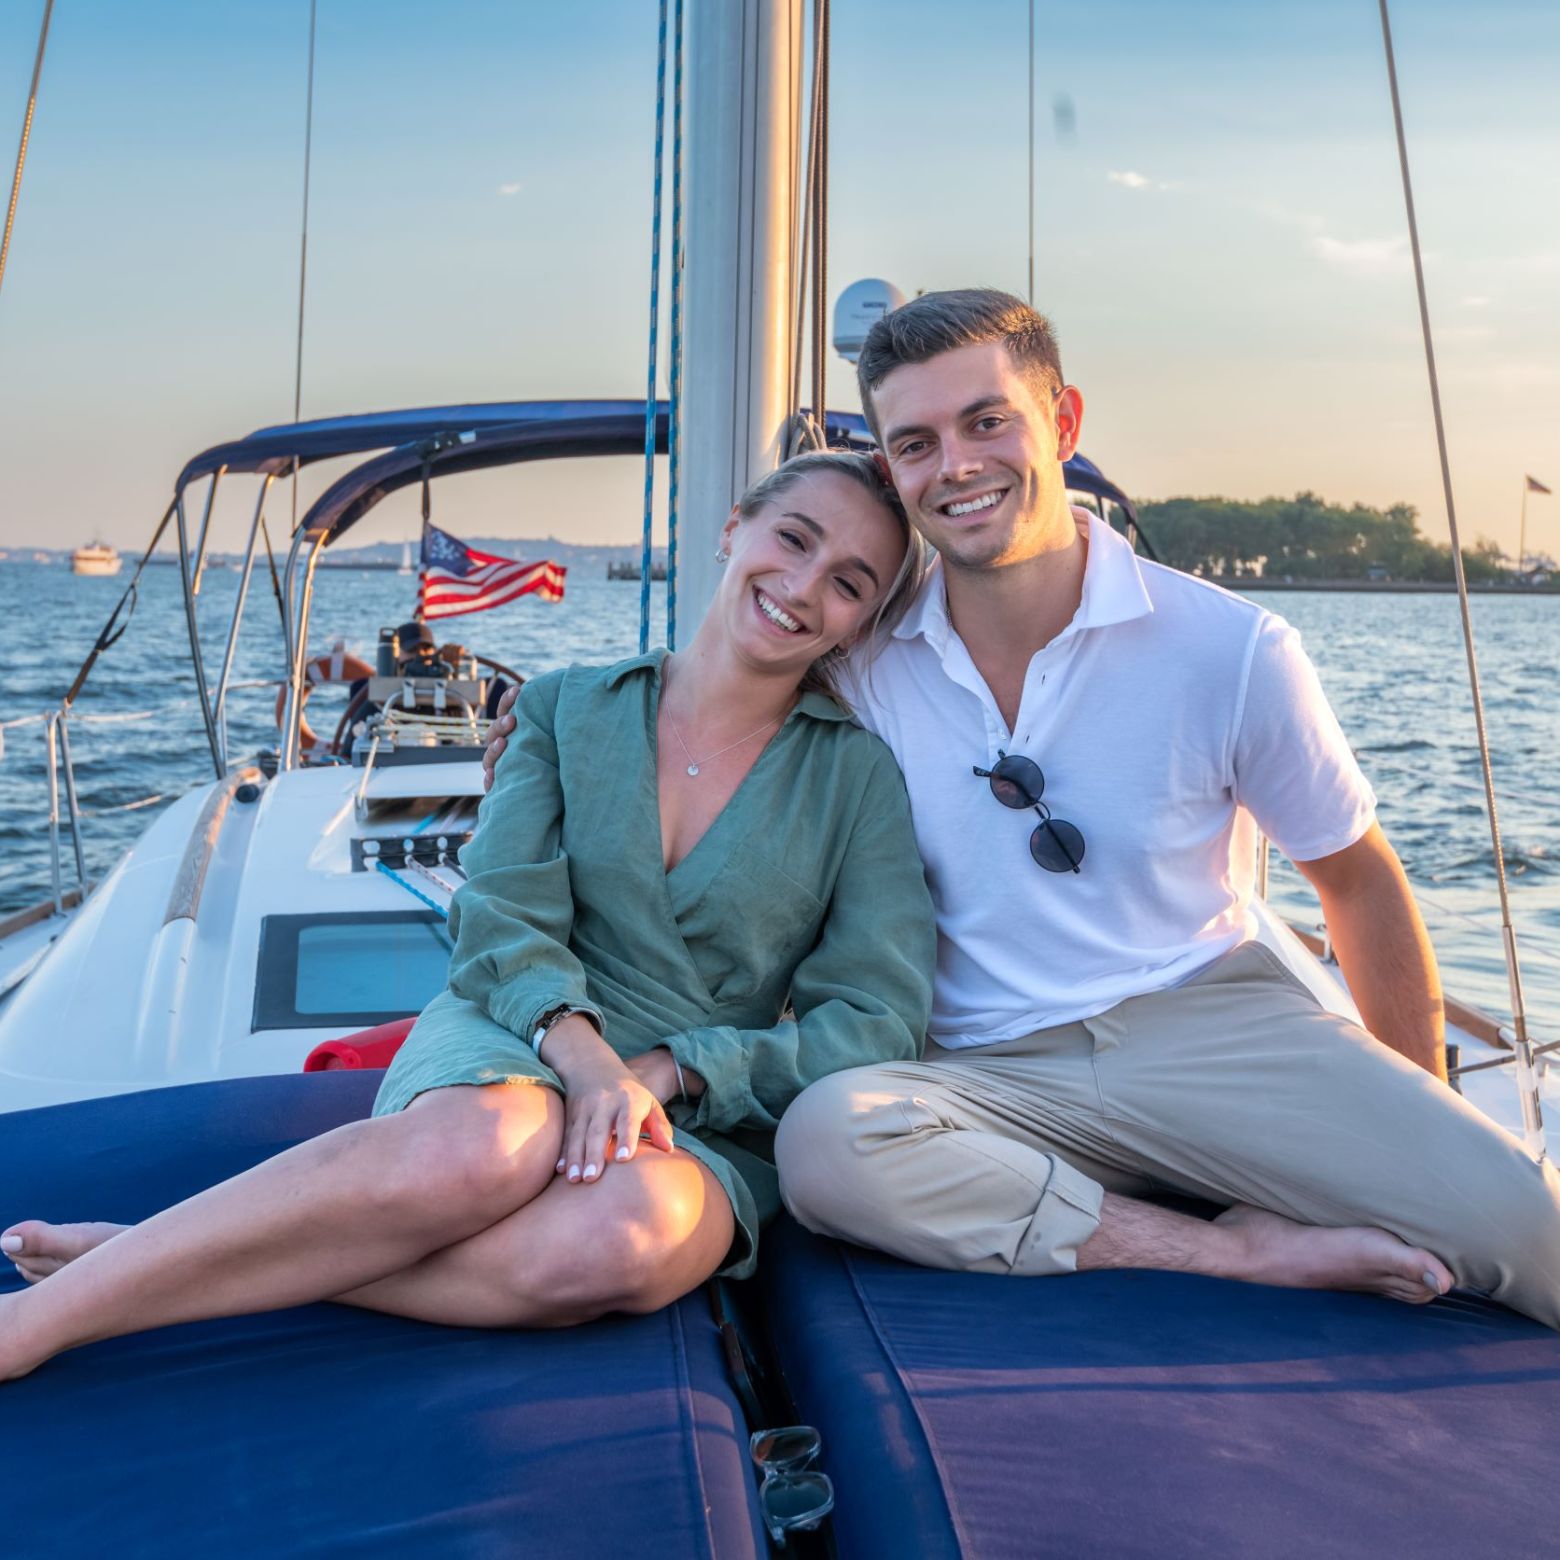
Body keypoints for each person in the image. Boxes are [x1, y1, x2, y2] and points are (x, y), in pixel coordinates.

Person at [485, 288, 1560, 1327]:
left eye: (987, 421)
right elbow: (713, 695)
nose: (956, 465)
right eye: (916, 443)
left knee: (1530, 1229)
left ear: (1063, 421)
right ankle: (1233, 1250)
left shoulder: (1230, 649)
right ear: (892, 468)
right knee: (826, 1146)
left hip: (1209, 1029)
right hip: (980, 1069)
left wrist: (1416, 1119)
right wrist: (544, 741)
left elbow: (1357, 881)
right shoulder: (860, 658)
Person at [0, 450, 936, 1380]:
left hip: (707, 1105)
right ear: (735, 528)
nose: (804, 586)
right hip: (519, 1024)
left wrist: (674, 1070)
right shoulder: (562, 708)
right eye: (794, 539)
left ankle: (148, 1260)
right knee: (486, 1150)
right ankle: (47, 1317)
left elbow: (876, 1018)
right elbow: (500, 913)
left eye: (848, 582)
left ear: (862, 621)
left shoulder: (857, 780)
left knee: (623, 1241)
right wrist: (587, 1062)